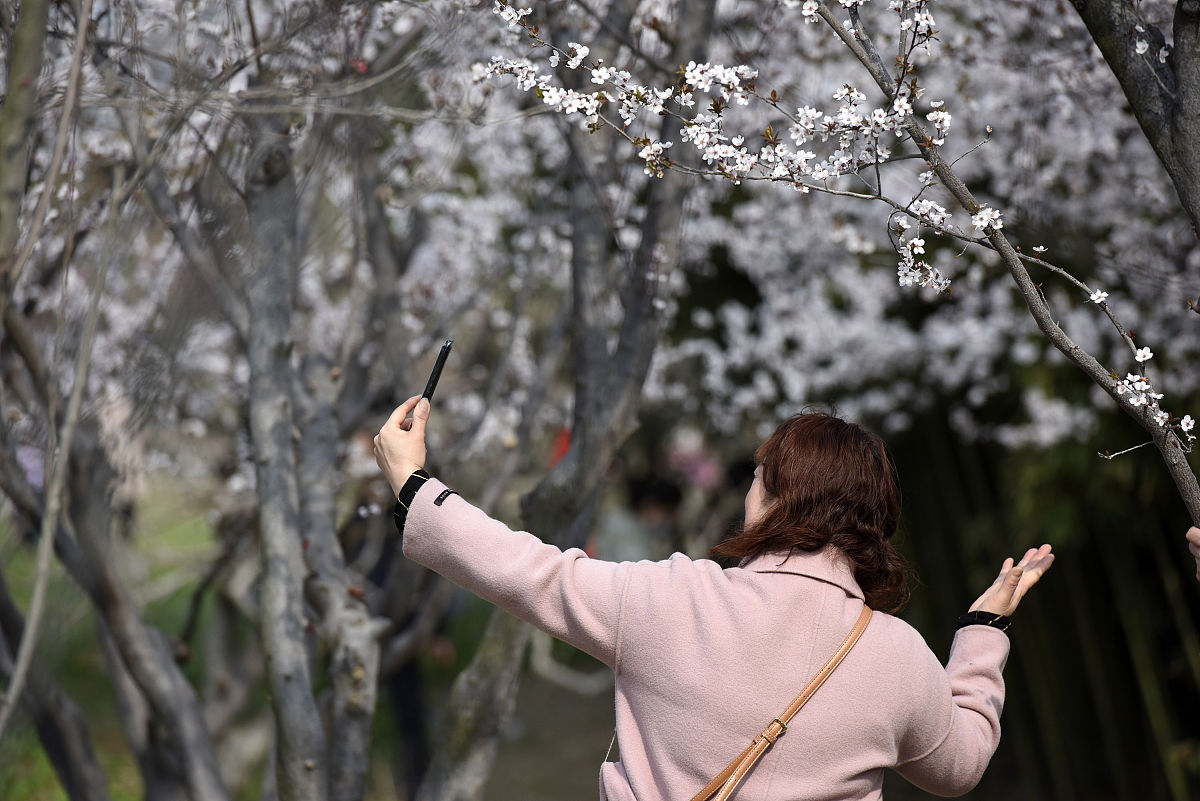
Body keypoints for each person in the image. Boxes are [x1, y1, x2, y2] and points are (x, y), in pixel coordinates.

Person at [374, 395, 1055, 800]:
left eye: (760, 480)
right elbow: (959, 764)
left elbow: (531, 572)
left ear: (779, 499)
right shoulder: (899, 657)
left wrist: (413, 487)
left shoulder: (672, 597)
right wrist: (983, 630)